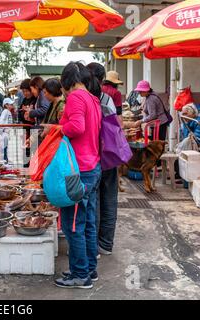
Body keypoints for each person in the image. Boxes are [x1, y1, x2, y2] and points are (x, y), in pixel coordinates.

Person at [53, 62, 102, 289]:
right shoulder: (93, 99)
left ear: (66, 81)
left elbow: (76, 127)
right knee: (88, 222)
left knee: (73, 224)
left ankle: (80, 275)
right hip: (93, 167)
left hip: (77, 170)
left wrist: (56, 129)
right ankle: (88, 270)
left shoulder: (75, 97)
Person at [87, 62, 119, 256]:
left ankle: (94, 246)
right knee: (109, 198)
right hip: (110, 153)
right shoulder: (107, 97)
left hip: (93, 154)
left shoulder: (89, 99)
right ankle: (105, 244)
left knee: (94, 200)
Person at [0, 97, 15, 162]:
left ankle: (5, 158)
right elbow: (1, 121)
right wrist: (3, 129)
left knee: (6, 145)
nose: (12, 105)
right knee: (4, 146)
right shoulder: (5, 111)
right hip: (5, 131)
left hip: (7, 131)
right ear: (6, 105)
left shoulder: (8, 112)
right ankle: (5, 159)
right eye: (10, 104)